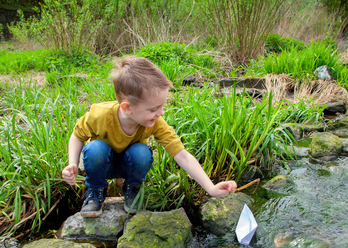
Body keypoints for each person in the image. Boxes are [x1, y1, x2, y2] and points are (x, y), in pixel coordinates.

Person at [62, 56, 237, 217]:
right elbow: (77, 136)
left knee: (142, 152)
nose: (160, 113)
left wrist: (211, 188)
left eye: (161, 106)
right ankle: (96, 191)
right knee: (95, 149)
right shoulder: (99, 115)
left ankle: (132, 188)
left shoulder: (156, 122)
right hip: (101, 164)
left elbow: (182, 155)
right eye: (153, 109)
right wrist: (72, 163)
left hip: (129, 166)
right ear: (127, 108)